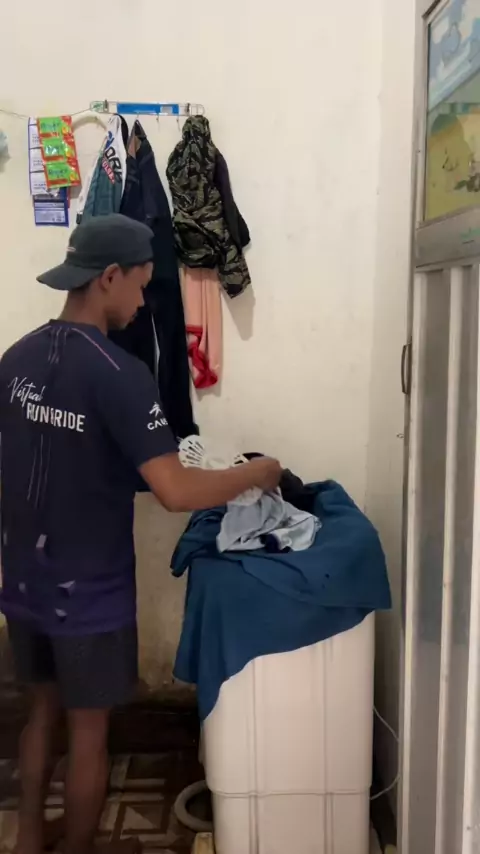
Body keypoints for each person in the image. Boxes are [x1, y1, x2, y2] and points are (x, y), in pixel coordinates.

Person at [0, 214, 281, 854]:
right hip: (87, 591)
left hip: (23, 580)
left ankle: (27, 841)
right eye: (142, 284)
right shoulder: (119, 374)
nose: (142, 302)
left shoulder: (15, 358)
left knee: (39, 711)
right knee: (89, 731)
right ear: (109, 277)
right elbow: (175, 490)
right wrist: (256, 473)